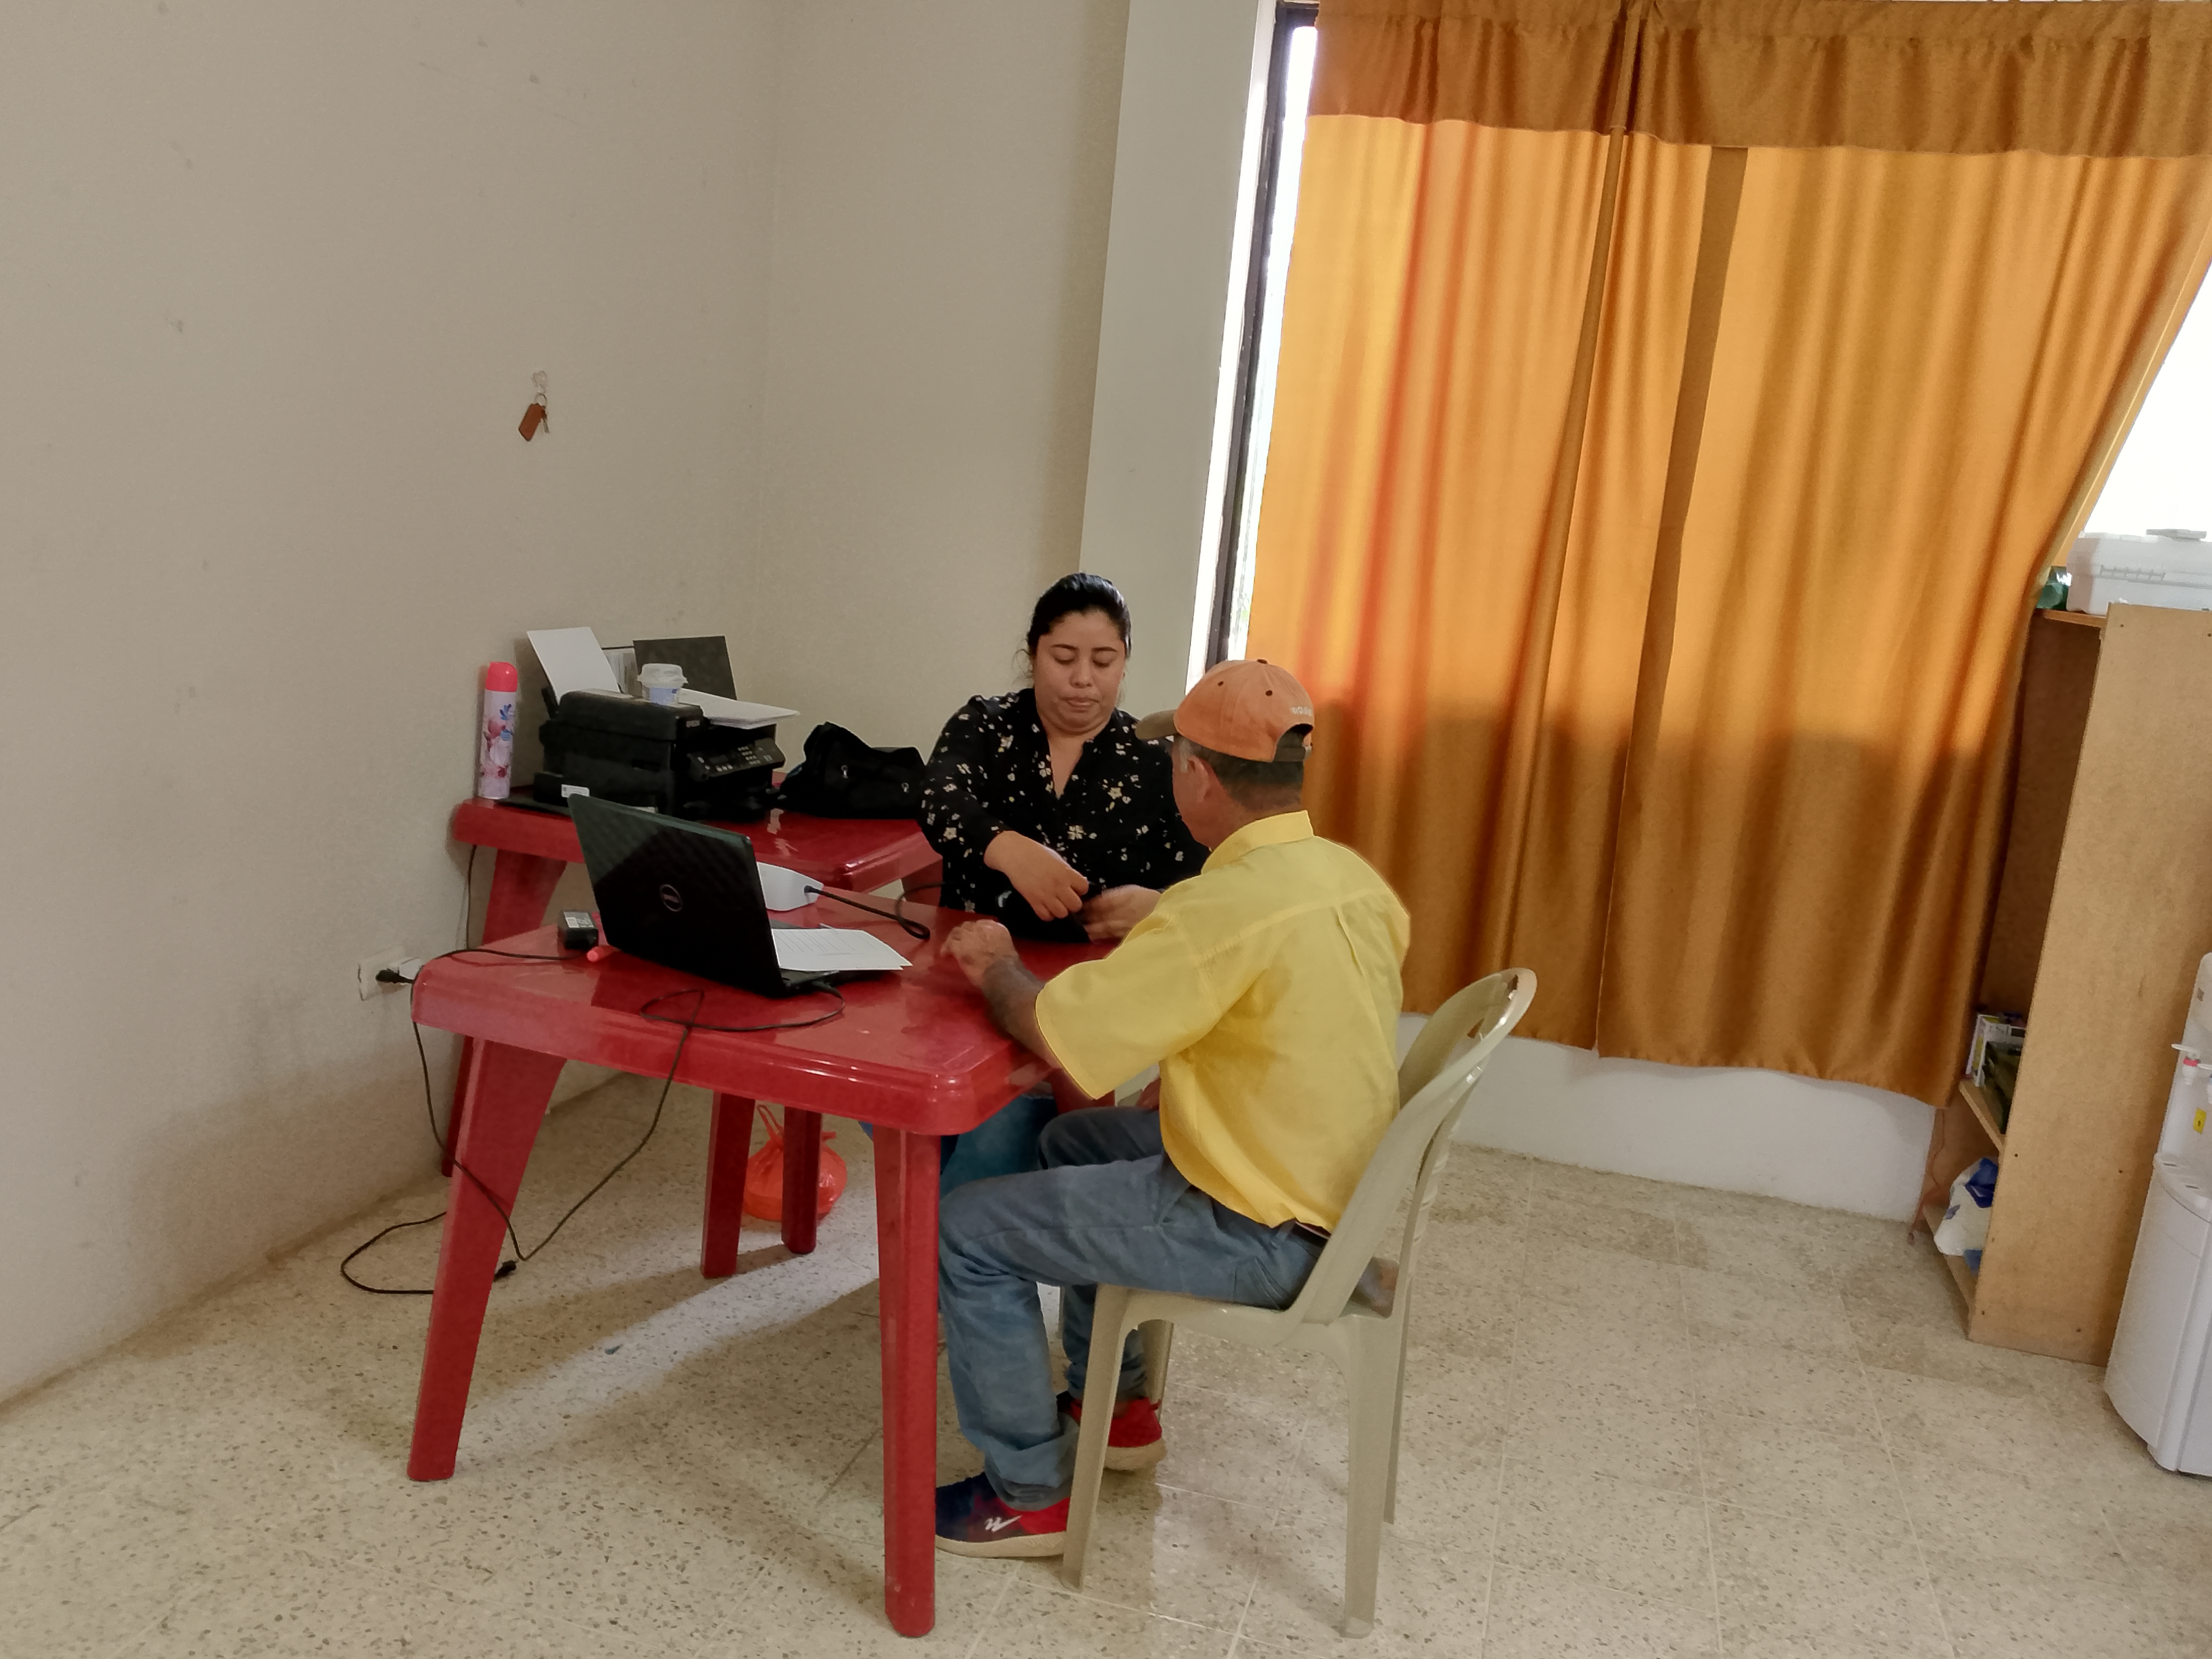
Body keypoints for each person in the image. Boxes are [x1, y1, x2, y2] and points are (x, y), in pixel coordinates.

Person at [931, 659, 1411, 1557]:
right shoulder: (1348, 879)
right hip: (1330, 1191)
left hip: (1260, 1227)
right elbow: (1279, 981)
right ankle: (1116, 1406)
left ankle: (1029, 1495)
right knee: (1073, 1139)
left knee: (968, 1231)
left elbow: (1058, 1031)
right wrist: (1168, 916)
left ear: (1196, 773)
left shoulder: (1221, 907)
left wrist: (994, 963)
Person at [915, 573, 1205, 1191]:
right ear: (1032, 655)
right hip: (970, 978)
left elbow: (1209, 894)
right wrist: (1006, 848)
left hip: (1086, 1000)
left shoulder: (1152, 759)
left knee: (1022, 1158)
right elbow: (937, 798)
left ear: (1124, 663)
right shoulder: (986, 725)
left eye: (1103, 661)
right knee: (936, 1141)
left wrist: (1159, 905)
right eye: (1063, 658)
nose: (1082, 679)